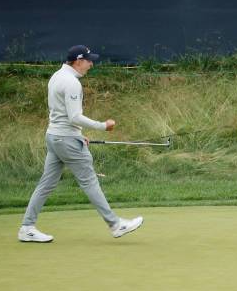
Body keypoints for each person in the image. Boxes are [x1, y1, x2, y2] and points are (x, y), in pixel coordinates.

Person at [18, 45, 143, 242]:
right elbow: (75, 116)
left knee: (46, 184)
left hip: (54, 137)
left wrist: (77, 134)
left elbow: (62, 115)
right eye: (88, 60)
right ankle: (115, 224)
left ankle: (27, 227)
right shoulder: (72, 83)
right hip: (66, 139)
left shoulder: (57, 76)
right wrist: (102, 126)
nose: (91, 64)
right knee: (89, 181)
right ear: (78, 61)